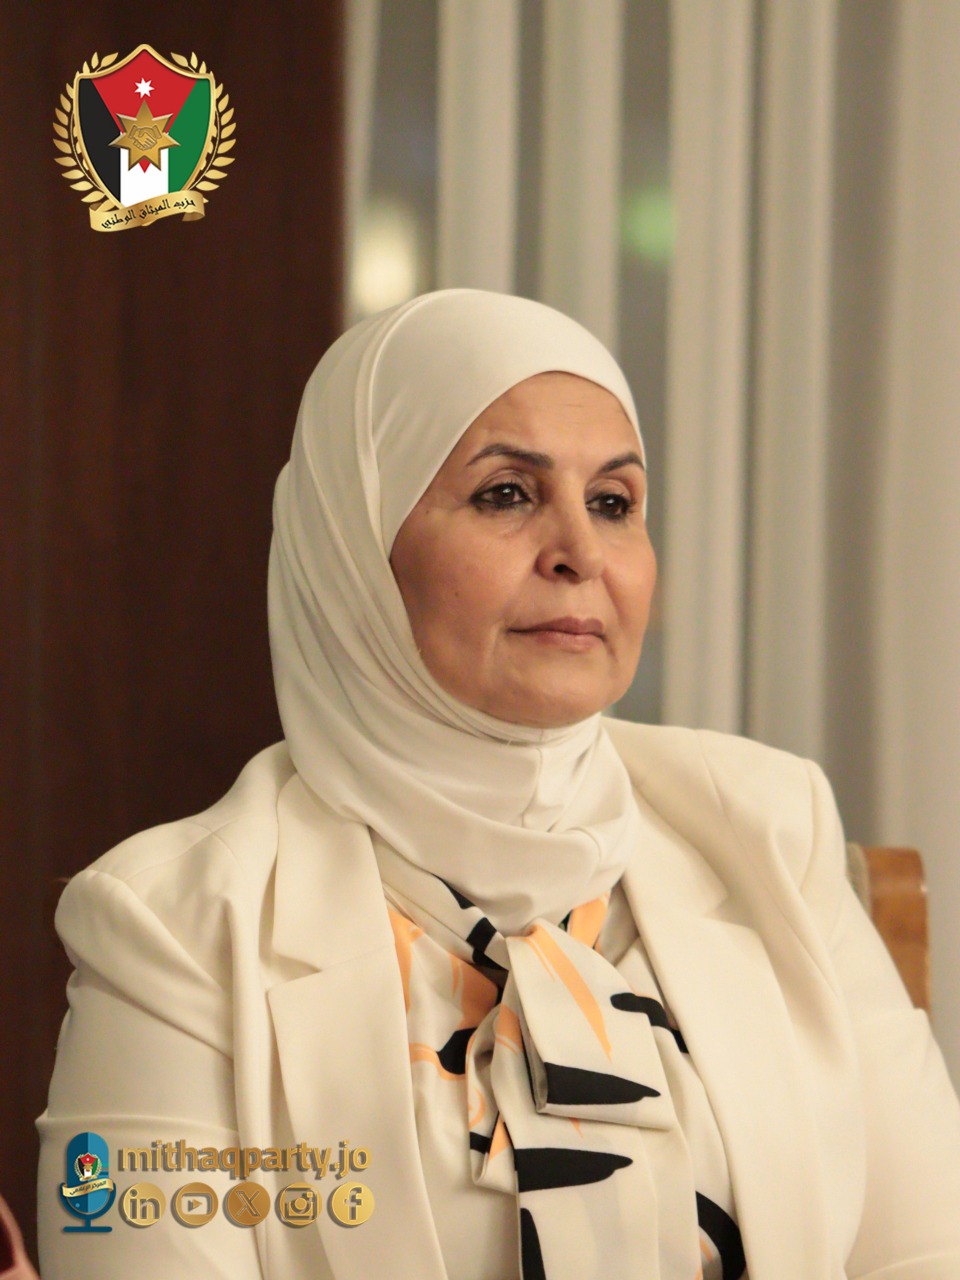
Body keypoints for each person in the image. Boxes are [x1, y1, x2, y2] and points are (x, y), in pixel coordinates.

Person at [37, 288, 960, 1280]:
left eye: (613, 503)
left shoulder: (765, 829)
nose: (581, 554)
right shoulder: (177, 926)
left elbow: (926, 1251)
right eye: (507, 494)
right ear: (354, 547)